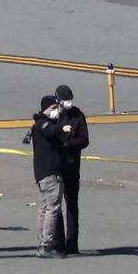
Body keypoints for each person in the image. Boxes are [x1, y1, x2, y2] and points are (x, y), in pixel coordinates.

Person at [53, 84, 89, 255]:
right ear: (58, 100)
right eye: (65, 100)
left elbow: (84, 139)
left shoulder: (78, 116)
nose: (68, 103)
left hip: (73, 166)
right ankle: (58, 241)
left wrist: (68, 144)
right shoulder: (53, 117)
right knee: (56, 205)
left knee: (72, 205)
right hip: (57, 167)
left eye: (70, 99)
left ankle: (72, 243)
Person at [31, 96, 66, 259]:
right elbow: (50, 130)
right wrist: (62, 129)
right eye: (52, 108)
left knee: (43, 209)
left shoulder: (39, 123)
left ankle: (42, 243)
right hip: (50, 174)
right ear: (45, 108)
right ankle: (46, 245)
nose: (55, 111)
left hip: (42, 174)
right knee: (51, 209)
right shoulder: (43, 124)